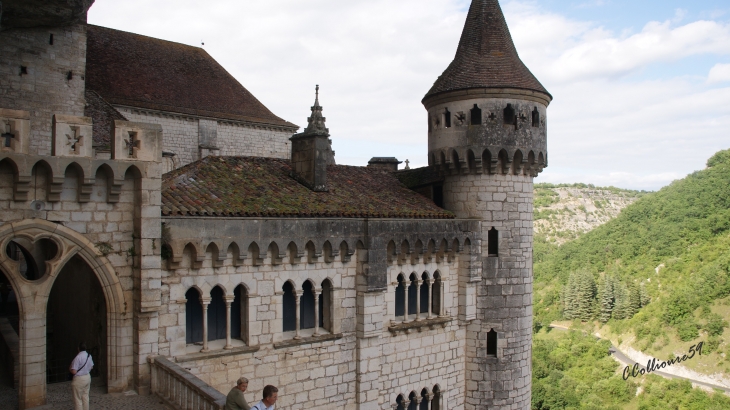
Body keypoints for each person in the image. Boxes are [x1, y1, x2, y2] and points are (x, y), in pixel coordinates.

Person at [69, 342, 94, 410]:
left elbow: (74, 371)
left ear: (78, 349)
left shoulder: (78, 357)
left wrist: (70, 369)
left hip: (79, 379)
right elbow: (91, 367)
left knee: (78, 399)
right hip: (87, 377)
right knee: (85, 396)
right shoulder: (89, 356)